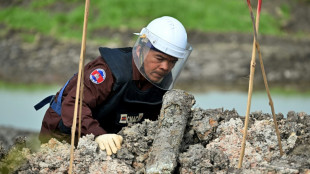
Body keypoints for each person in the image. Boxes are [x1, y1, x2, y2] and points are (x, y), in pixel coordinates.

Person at [35, 16, 193, 156]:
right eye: (159, 58)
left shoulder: (160, 79)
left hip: (111, 138)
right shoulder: (108, 72)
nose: (166, 67)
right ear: (140, 49)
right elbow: (73, 104)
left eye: (172, 61)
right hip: (63, 135)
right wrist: (97, 135)